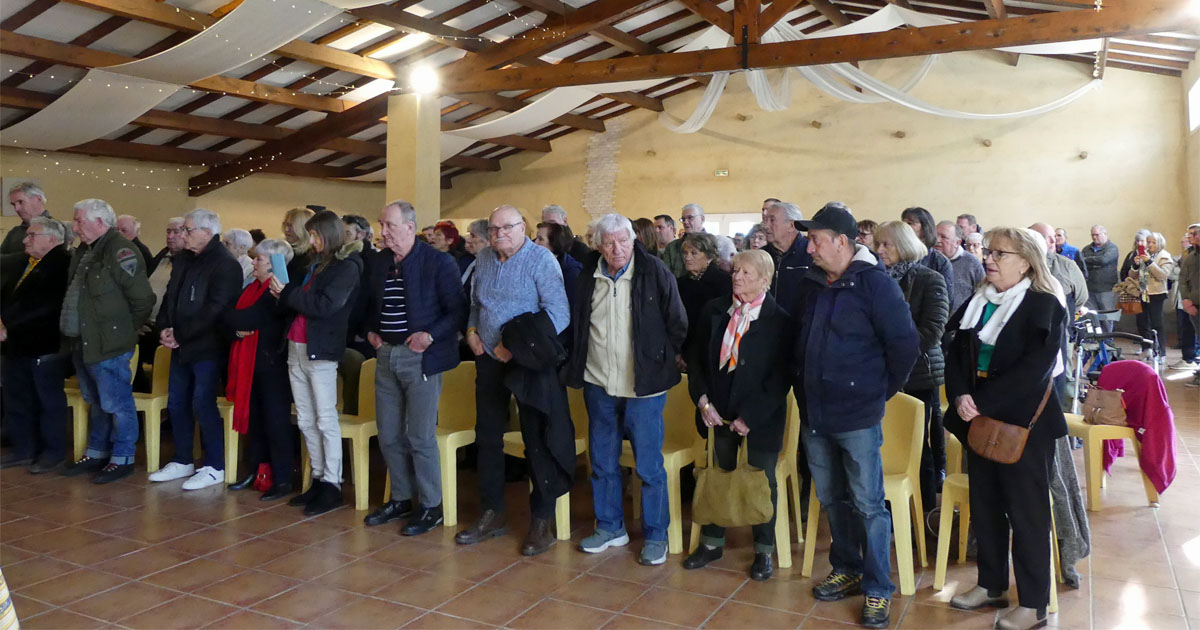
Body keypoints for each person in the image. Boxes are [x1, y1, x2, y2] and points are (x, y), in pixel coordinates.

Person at [793, 202, 919, 629]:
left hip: (857, 415)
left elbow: (904, 347)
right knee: (832, 498)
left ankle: (878, 587)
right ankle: (846, 567)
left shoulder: (875, 285)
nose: (809, 248)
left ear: (842, 242)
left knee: (868, 504)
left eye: (816, 240)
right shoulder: (813, 283)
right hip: (815, 412)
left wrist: (875, 395)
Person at [944, 228, 1069, 630]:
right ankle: (991, 584)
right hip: (978, 421)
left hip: (1022, 425)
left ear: (1026, 261)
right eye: (988, 251)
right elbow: (955, 352)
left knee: (1027, 513)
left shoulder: (1043, 306)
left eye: (1000, 253)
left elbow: (1036, 369)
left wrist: (982, 401)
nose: (989, 259)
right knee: (985, 505)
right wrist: (961, 393)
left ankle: (1033, 604)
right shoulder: (979, 301)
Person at [563, 213, 687, 566]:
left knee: (649, 467)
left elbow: (677, 323)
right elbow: (578, 322)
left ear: (634, 240)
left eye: (623, 240)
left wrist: (658, 358)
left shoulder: (654, 272)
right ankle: (610, 526)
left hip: (644, 387)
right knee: (602, 461)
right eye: (609, 242)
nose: (617, 249)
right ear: (597, 244)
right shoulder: (588, 274)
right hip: (599, 382)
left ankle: (656, 535)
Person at [458, 205, 572, 556]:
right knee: (487, 436)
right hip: (488, 358)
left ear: (522, 228)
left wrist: (516, 347)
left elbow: (559, 314)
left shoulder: (541, 261)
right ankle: (492, 512)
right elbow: (476, 303)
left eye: (506, 228)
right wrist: (473, 330)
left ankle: (542, 520)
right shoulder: (486, 260)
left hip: (527, 363)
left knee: (536, 439)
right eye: (493, 229)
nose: (498, 235)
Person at [683, 249, 793, 580]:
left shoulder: (780, 321)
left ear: (765, 280)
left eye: (747, 273)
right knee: (719, 474)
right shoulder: (715, 310)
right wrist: (703, 401)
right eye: (736, 271)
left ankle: (763, 551)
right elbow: (697, 360)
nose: (738, 277)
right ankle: (712, 542)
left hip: (760, 419)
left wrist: (751, 416)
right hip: (717, 414)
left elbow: (780, 378)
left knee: (761, 481)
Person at [361, 201, 468, 535]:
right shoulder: (377, 262)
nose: (383, 232)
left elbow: (457, 311)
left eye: (390, 225)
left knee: (419, 435)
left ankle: (431, 506)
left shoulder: (438, 262)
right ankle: (401, 498)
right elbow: (365, 304)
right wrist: (370, 332)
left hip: (421, 356)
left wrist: (430, 336)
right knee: (389, 434)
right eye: (381, 225)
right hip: (386, 354)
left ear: (410, 227)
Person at [274, 210, 363, 516]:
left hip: (321, 349)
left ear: (330, 235)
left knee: (325, 419)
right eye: (310, 236)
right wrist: (286, 294)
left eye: (315, 235)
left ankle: (333, 484)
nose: (311, 241)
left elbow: (324, 306)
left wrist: (287, 293)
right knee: (305, 418)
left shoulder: (346, 267)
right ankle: (318, 478)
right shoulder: (313, 265)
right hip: (297, 345)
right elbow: (298, 301)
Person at [60, 199, 155, 484]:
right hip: (83, 340)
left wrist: (124, 331)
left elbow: (142, 299)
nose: (75, 227)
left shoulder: (120, 250)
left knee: (116, 402)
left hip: (108, 342)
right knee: (96, 400)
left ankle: (123, 457)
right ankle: (97, 451)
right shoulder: (86, 250)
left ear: (100, 222)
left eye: (79, 221)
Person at [151, 208, 242, 491]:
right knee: (177, 402)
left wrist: (181, 334)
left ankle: (215, 465)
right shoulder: (183, 259)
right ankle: (182, 459)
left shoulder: (226, 264)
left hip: (207, 346)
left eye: (188, 230)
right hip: (180, 344)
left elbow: (216, 309)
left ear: (207, 231)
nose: (182, 235)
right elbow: (169, 298)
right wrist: (164, 328)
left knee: (203, 404)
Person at [874, 221, 949, 513]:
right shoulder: (875, 279)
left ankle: (923, 510)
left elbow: (932, 329)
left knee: (919, 447)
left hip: (919, 372)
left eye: (886, 244)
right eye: (877, 244)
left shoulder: (930, 279)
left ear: (904, 246)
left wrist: (895, 352)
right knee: (884, 444)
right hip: (880, 374)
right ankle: (888, 509)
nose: (879, 250)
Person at [222, 238, 296, 501]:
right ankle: (257, 469)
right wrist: (235, 326)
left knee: (275, 422)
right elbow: (229, 316)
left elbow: (251, 317)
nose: (253, 262)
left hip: (271, 363)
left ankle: (282, 478)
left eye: (260, 259)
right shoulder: (252, 286)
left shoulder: (277, 290)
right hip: (252, 363)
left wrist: (237, 323)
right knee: (256, 420)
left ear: (275, 264)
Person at [0, 217, 71, 472]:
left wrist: (9, 326)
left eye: (32, 236)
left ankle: (53, 453)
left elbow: (47, 305)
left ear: (51, 239)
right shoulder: (28, 262)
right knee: (17, 399)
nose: (25, 240)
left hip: (44, 342)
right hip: (16, 343)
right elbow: (13, 297)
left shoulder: (61, 264)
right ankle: (23, 449)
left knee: (47, 401)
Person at [676, 233, 732, 364]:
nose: (687, 258)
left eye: (694, 253)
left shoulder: (724, 283)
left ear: (709, 257)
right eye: (685, 253)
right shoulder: (680, 283)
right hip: (687, 351)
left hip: (714, 353)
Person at [761, 201, 812, 316]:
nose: (766, 226)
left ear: (791, 225)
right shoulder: (761, 256)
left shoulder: (811, 254)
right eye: (765, 220)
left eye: (772, 220)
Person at [1129, 232, 1173, 356]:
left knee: (1157, 323)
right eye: (1148, 242)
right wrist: (1136, 265)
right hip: (1143, 292)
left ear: (1160, 243)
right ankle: (1146, 348)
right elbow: (1132, 276)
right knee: (1142, 322)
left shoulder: (1165, 256)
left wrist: (1149, 262)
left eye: (1153, 242)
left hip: (1157, 293)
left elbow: (1162, 275)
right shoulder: (1144, 255)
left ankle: (1160, 352)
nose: (1150, 245)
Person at [533, 222, 583, 323]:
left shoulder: (572, 272)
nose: (535, 243)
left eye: (541, 239)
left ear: (554, 244)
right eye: (536, 238)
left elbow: (572, 311)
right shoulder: (536, 265)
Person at [935, 220, 985, 314]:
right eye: (935, 236)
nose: (937, 240)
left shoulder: (972, 264)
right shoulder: (926, 259)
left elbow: (982, 294)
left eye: (944, 237)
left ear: (957, 242)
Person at [900, 207, 954, 293]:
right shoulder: (896, 255)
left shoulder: (939, 261)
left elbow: (945, 299)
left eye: (910, 223)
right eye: (903, 223)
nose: (904, 227)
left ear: (925, 228)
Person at [1081, 224, 1120, 331]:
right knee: (1091, 316)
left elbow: (1104, 260)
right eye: (1092, 235)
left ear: (1105, 234)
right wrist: (1095, 261)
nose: (1094, 237)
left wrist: (1089, 260)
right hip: (1090, 288)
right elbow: (1081, 261)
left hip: (1106, 289)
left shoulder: (1112, 248)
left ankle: (1107, 341)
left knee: (1107, 317)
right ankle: (1094, 339)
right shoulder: (1086, 249)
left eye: (1097, 234)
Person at [1174, 225, 1200, 371]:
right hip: (1193, 303)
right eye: (1191, 234)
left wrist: (1191, 298)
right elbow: (1183, 278)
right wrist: (1186, 300)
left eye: (1195, 234)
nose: (1192, 237)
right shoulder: (1190, 257)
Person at [2, 182, 52, 257]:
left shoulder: (57, 229)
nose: (16, 209)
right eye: (13, 204)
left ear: (38, 199)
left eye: (20, 202)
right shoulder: (14, 233)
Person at [662, 204, 705, 278]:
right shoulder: (672, 247)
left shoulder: (714, 244)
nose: (685, 222)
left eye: (690, 218)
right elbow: (667, 278)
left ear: (702, 219)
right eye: (683, 219)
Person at [282, 207, 317, 280]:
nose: (286, 230)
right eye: (285, 225)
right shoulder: (285, 251)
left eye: (291, 226)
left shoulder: (308, 259)